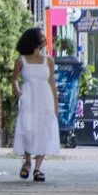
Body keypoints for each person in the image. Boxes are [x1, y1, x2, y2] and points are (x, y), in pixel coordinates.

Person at [15, 26, 59, 180]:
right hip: (28, 98)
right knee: (28, 129)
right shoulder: (21, 60)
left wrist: (55, 103)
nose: (45, 38)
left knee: (44, 130)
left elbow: (52, 83)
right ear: (34, 39)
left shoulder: (49, 61)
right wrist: (18, 92)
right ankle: (27, 161)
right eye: (41, 36)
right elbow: (13, 78)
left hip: (44, 99)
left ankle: (37, 168)